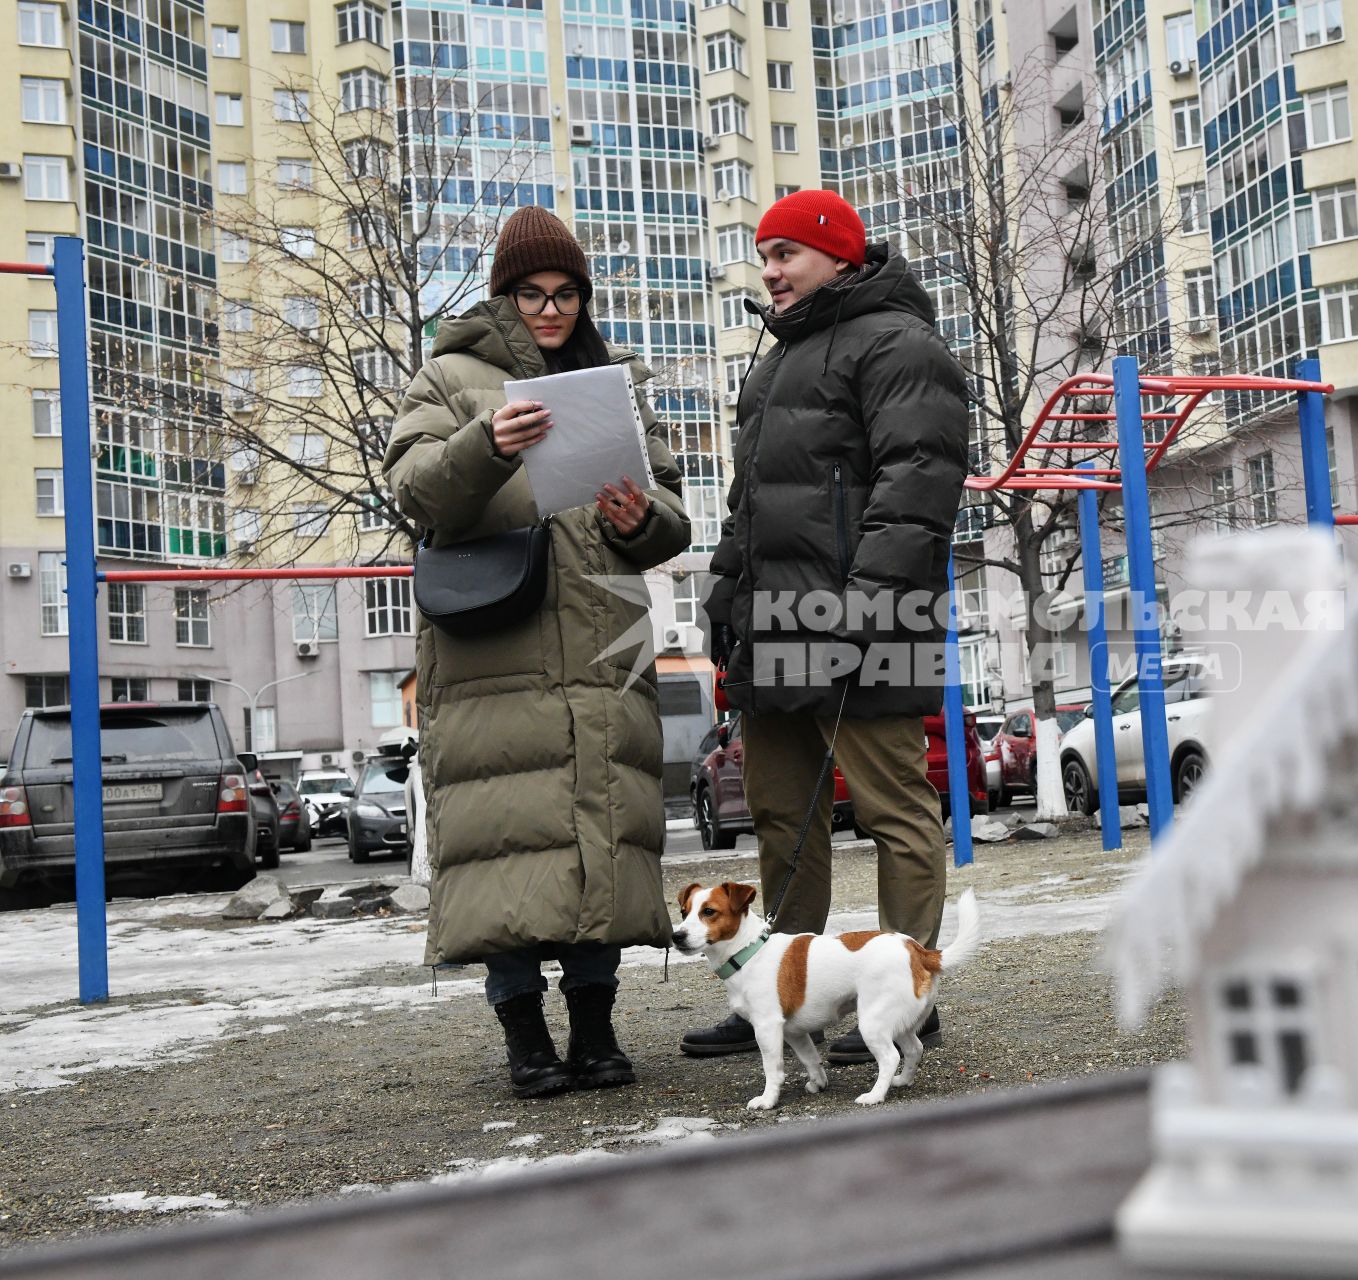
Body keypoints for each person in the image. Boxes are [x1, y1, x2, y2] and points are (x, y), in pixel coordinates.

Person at [384, 205, 692, 1098]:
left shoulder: (611, 381)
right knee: (504, 850)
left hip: (602, 651)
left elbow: (670, 510)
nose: (550, 311)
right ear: (504, 295)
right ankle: (526, 1042)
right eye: (532, 295)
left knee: (599, 836)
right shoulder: (448, 378)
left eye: (565, 295)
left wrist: (644, 519)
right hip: (494, 654)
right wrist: (485, 445)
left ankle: (596, 1033)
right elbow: (414, 492)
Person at [685, 189, 968, 1063]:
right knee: (784, 819)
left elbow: (916, 484)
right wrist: (725, 599)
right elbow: (748, 507)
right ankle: (780, 994)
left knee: (893, 810)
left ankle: (910, 994)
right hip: (774, 623)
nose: (768, 271)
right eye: (763, 256)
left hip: (868, 618)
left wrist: (863, 609)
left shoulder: (900, 344)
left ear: (840, 256)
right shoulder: (773, 366)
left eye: (786, 255)